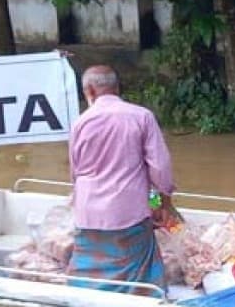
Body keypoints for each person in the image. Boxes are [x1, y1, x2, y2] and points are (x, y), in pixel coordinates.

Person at [66, 65, 176, 295]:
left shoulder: (80, 123)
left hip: (88, 213)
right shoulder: (141, 116)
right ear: (117, 88)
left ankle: (85, 304)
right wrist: (164, 204)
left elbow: (76, 172)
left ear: (89, 91)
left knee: (88, 272)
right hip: (129, 212)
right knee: (141, 271)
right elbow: (160, 169)